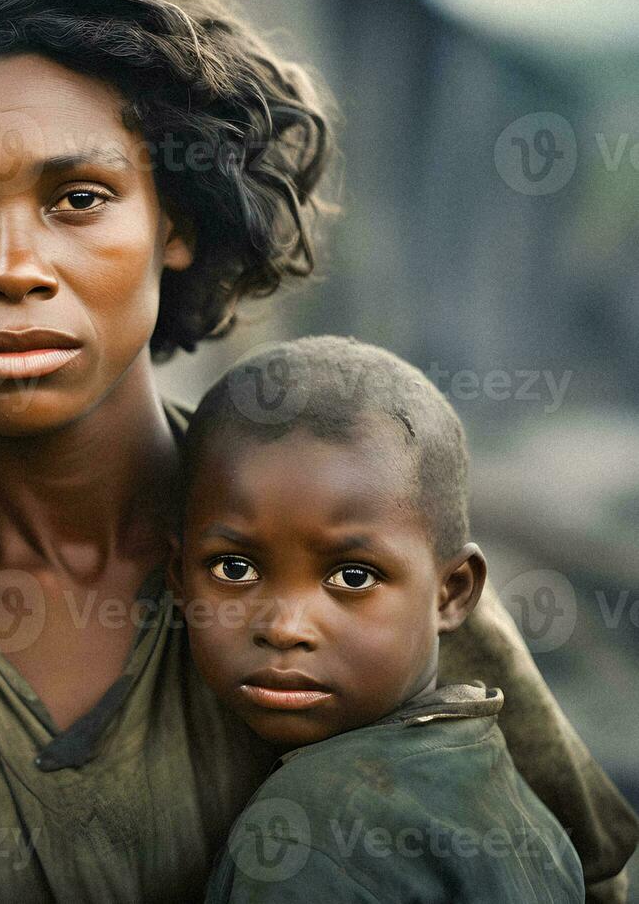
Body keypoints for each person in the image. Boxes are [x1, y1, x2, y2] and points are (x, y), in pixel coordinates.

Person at [0, 0, 638, 901]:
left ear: (176, 222)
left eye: (77, 197)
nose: (9, 268)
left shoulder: (357, 546)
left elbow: (571, 870)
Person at [175, 336, 584, 903]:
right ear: (178, 579)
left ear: (452, 593)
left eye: (352, 577)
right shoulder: (530, 816)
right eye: (235, 567)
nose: (285, 627)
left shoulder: (306, 833)